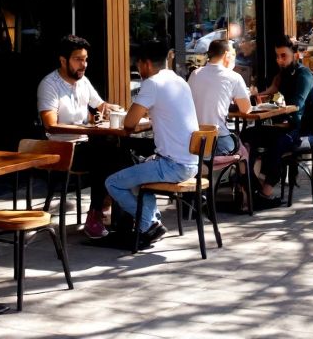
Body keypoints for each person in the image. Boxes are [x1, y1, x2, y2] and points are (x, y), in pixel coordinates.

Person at [105, 40, 200, 246]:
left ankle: (147, 224)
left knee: (112, 183)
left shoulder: (152, 83)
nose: (137, 69)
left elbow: (129, 123)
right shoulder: (179, 81)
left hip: (172, 166)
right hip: (191, 164)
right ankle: (151, 223)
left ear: (146, 63)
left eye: (137, 65)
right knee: (138, 169)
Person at [36, 34, 117, 238]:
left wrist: (115, 110)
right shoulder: (50, 84)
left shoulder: (83, 82)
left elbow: (101, 105)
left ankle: (108, 210)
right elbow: (50, 125)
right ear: (63, 60)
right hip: (61, 149)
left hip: (83, 145)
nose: (84, 65)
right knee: (105, 157)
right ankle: (96, 215)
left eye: (85, 59)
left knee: (120, 154)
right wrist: (85, 128)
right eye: (78, 59)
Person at [243, 36, 313, 200]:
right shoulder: (283, 75)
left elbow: (296, 105)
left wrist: (274, 109)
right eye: (277, 56)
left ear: (296, 55)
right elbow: (271, 90)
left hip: (307, 131)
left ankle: (266, 192)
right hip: (289, 126)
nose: (279, 60)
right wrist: (255, 96)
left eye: (283, 56)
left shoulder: (304, 75)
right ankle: (249, 182)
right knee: (249, 134)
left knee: (278, 142)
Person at [187, 39, 251, 155]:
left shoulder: (194, 74)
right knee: (244, 151)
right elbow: (246, 109)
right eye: (233, 54)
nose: (234, 58)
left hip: (195, 141)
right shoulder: (234, 77)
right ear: (227, 55)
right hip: (219, 140)